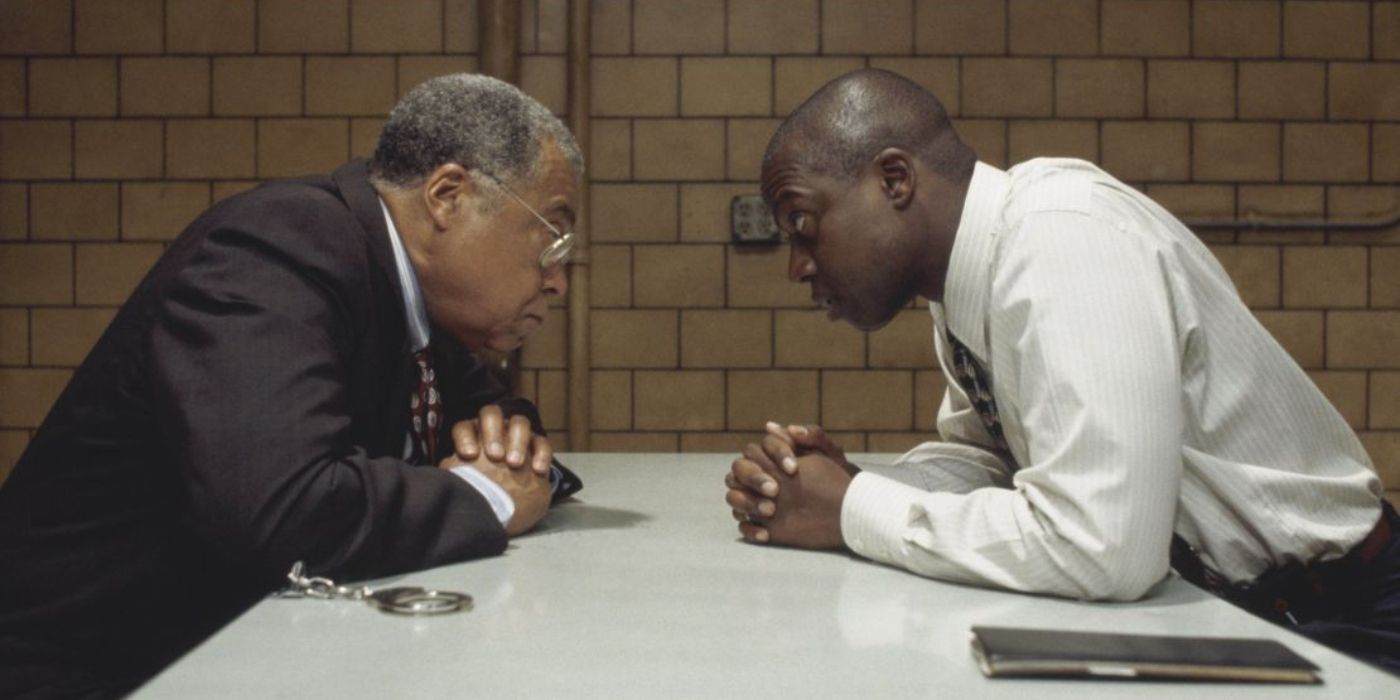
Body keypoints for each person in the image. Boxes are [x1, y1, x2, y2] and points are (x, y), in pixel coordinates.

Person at [724, 68, 1400, 674]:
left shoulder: (1060, 240)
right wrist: (840, 485)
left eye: (804, 222)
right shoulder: (971, 278)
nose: (799, 265)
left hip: (1349, 623)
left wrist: (851, 510)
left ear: (894, 181)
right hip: (1244, 610)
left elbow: (1104, 548)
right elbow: (993, 458)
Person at [0, 74, 584, 698]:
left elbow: (492, 416)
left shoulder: (408, 296)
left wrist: (514, 448)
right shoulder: (279, 248)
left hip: (229, 650)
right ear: (447, 196)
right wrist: (486, 498)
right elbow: (282, 507)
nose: (558, 282)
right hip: (93, 669)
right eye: (552, 237)